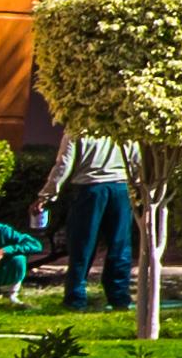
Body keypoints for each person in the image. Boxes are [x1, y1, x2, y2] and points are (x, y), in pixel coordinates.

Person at [37, 129, 141, 313]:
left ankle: (75, 299)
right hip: (120, 188)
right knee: (120, 245)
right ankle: (119, 298)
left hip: (89, 189)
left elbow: (64, 164)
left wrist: (46, 195)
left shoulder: (77, 129)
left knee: (82, 246)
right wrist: (138, 187)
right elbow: (136, 161)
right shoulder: (123, 128)